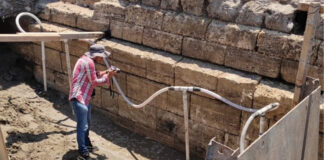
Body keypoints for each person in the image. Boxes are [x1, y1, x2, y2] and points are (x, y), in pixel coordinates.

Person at [69, 44, 117, 159]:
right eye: (101, 56)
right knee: (83, 126)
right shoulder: (89, 62)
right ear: (96, 55)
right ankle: (83, 151)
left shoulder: (84, 60)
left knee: (87, 123)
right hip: (79, 97)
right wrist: (108, 77)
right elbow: (94, 82)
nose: (102, 58)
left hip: (83, 98)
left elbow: (92, 75)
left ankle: (87, 145)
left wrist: (106, 71)